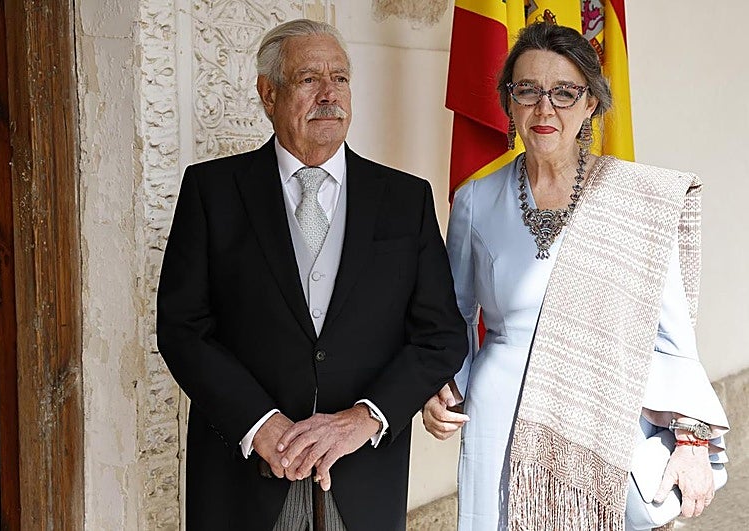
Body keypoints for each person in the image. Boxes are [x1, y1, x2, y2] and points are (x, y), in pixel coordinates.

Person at [156, 18, 467, 531]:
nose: (329, 94)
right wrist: (258, 424)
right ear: (268, 93)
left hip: (364, 481)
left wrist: (365, 418)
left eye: (340, 78)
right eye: (309, 79)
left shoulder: (405, 199)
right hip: (244, 482)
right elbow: (182, 329)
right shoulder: (211, 192)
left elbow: (441, 336)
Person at [422, 21, 729, 531]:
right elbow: (455, 317)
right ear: (509, 102)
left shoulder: (636, 200)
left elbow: (672, 337)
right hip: (500, 417)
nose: (545, 109)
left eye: (564, 92)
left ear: (590, 103)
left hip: (603, 416)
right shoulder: (476, 199)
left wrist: (692, 442)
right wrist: (444, 387)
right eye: (528, 90)